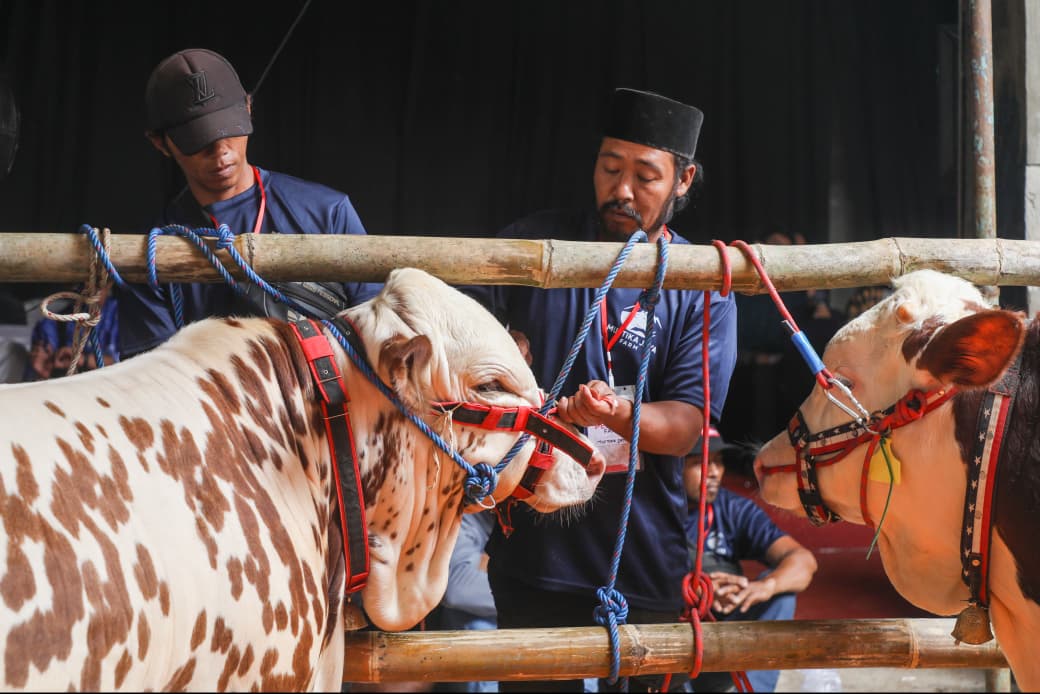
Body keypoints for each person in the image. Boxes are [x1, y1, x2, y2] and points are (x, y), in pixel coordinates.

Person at [464, 88, 738, 693]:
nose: (622, 191)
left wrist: (615, 413)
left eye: (645, 176)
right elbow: (459, 346)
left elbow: (686, 427)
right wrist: (497, 347)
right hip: (536, 553)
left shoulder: (698, 285)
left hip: (642, 552)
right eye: (610, 168)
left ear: (683, 180)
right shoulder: (536, 248)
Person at [116, 48, 381, 359]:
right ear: (160, 142)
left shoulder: (328, 212)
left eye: (229, 128)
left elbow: (378, 341)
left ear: (248, 108)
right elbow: (156, 376)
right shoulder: (149, 254)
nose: (221, 150)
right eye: (198, 139)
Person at [682, 427, 818, 692]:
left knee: (781, 595)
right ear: (673, 469)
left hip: (724, 636)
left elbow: (803, 561)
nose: (713, 472)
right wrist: (695, 592)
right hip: (673, 638)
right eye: (700, 463)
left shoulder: (733, 508)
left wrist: (763, 587)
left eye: (718, 462)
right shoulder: (652, 512)